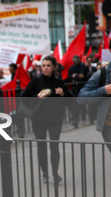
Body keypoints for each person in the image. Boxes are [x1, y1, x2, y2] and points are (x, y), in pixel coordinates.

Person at [21, 55, 71, 184]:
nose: (46, 68)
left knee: (54, 146)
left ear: (54, 67)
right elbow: (24, 97)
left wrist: (62, 94)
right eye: (44, 66)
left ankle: (55, 173)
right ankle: (44, 172)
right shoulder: (36, 82)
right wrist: (37, 97)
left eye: (49, 66)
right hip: (39, 119)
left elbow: (71, 100)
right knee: (41, 146)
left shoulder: (58, 82)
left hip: (55, 119)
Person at [66, 55, 89, 128]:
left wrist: (83, 77)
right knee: (74, 106)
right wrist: (73, 76)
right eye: (74, 61)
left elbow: (89, 76)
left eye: (76, 61)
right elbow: (68, 78)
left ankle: (83, 118)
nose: (75, 62)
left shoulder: (84, 67)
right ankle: (75, 120)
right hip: (74, 90)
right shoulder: (71, 68)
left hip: (82, 88)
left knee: (82, 105)